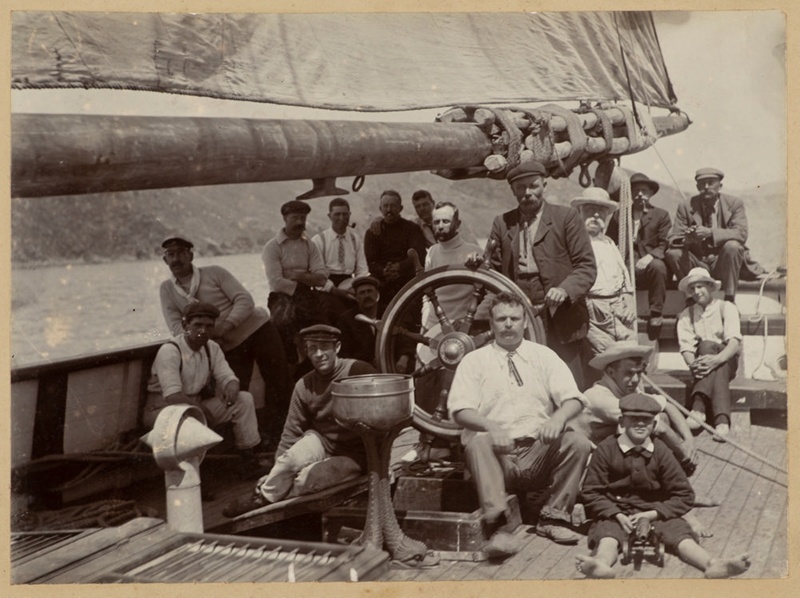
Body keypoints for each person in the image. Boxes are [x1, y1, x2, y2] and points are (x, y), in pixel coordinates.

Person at [448, 292, 592, 557]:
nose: (508, 324)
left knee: (578, 442)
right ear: (491, 325)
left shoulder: (543, 356)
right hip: (496, 458)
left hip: (538, 452)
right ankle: (499, 527)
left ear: (525, 322)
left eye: (514, 318)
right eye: (501, 319)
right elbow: (459, 410)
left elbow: (574, 399)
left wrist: (558, 418)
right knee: (478, 440)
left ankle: (553, 518)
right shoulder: (474, 361)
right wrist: (491, 426)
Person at [576, 392, 750, 579]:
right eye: (633, 418)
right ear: (621, 421)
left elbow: (684, 495)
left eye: (646, 419)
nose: (641, 423)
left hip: (656, 511)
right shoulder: (606, 449)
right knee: (608, 536)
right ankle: (601, 563)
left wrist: (654, 513)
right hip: (616, 512)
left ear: (654, 424)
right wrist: (616, 514)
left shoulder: (661, 451)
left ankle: (711, 564)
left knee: (681, 535)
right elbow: (592, 491)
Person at [223, 325, 377, 517]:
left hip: (355, 454)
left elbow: (382, 413)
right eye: (312, 348)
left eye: (324, 347)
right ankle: (261, 497)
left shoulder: (359, 371)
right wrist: (275, 470)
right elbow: (291, 432)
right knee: (289, 462)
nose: (319, 354)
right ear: (307, 352)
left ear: (336, 347)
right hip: (322, 442)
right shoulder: (304, 385)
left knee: (308, 480)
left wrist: (375, 461)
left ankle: (275, 497)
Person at [159, 235, 292, 445]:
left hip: (257, 328)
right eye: (171, 255)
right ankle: (247, 441)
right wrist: (204, 340)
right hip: (228, 345)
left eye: (181, 253)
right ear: (165, 261)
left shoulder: (214, 273)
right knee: (235, 392)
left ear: (191, 255)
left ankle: (280, 436)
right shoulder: (167, 289)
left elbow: (244, 299)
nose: (176, 259)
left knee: (279, 381)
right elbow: (176, 325)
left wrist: (226, 326)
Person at [486, 160, 596, 389]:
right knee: (525, 380)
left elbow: (586, 267)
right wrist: (478, 263)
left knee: (568, 381)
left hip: (561, 312)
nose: (527, 193)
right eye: (520, 188)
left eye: (533, 185)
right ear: (513, 190)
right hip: (519, 311)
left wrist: (564, 290)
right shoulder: (502, 223)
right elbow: (493, 271)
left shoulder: (567, 218)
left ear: (544, 185)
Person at [143, 302, 270, 478]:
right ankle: (191, 478)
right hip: (162, 411)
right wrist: (200, 410)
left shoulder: (212, 348)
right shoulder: (170, 351)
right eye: (197, 325)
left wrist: (232, 384)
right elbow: (172, 396)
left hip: (194, 406)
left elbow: (227, 376)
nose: (203, 330)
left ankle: (248, 459)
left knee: (243, 399)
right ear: (185, 325)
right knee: (189, 423)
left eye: (209, 326)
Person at [676, 267, 742, 441]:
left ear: (710, 287)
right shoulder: (686, 315)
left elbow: (734, 342)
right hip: (703, 365)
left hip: (727, 360)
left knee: (706, 346)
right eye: (692, 288)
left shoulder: (726, 307)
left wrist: (717, 359)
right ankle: (722, 422)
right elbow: (687, 349)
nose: (696, 292)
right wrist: (693, 364)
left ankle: (698, 409)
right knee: (705, 348)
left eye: (700, 286)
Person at [262, 200, 329, 366]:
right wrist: (307, 278)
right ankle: (290, 367)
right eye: (295, 218)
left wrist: (298, 275)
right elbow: (276, 282)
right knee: (282, 325)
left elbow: (322, 278)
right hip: (281, 296)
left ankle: (318, 365)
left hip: (306, 293)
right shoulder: (272, 247)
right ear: (285, 218)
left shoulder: (310, 246)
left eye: (303, 218)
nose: (300, 222)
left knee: (323, 324)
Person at [665, 168, 748, 302]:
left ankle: (730, 297)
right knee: (673, 253)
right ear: (697, 187)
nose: (706, 187)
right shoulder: (685, 206)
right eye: (702, 184)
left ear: (720, 186)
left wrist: (710, 232)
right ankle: (690, 297)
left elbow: (741, 233)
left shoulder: (734, 204)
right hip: (697, 263)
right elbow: (673, 238)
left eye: (711, 183)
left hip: (722, 262)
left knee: (733, 246)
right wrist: (687, 240)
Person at [570, 188, 636, 357]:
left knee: (631, 352)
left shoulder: (609, 243)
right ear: (580, 212)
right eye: (591, 210)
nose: (596, 216)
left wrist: (628, 299)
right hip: (591, 310)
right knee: (607, 355)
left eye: (601, 212)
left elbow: (623, 275)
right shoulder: (572, 243)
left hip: (617, 308)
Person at [606, 172, 672, 338]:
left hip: (650, 261)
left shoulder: (661, 215)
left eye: (643, 190)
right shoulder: (619, 215)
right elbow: (610, 242)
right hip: (627, 261)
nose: (639, 194)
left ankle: (656, 313)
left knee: (658, 267)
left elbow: (665, 243)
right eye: (635, 191)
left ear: (650, 193)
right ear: (629, 194)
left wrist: (650, 256)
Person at [421, 201, 486, 333]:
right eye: (436, 222)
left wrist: (470, 321)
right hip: (434, 326)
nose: (440, 226)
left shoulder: (474, 252)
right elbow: (427, 295)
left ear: (457, 224)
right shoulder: (431, 253)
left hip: (465, 327)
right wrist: (425, 323)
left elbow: (489, 294)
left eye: (445, 221)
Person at [364, 189, 428, 309]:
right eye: (386, 206)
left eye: (393, 206)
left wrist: (399, 267)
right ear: (380, 208)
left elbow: (418, 254)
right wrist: (384, 271)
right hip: (382, 280)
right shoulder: (372, 232)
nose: (389, 210)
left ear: (400, 208)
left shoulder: (412, 229)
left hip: (406, 278)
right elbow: (371, 261)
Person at [311, 197, 369, 320]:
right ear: (329, 216)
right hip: (326, 287)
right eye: (337, 214)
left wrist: (356, 287)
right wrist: (334, 290)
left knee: (362, 312)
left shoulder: (355, 239)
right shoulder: (319, 240)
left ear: (350, 215)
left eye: (345, 214)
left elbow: (362, 269)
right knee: (334, 311)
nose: (341, 218)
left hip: (350, 285)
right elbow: (316, 273)